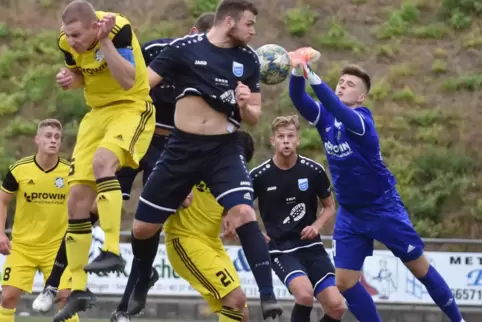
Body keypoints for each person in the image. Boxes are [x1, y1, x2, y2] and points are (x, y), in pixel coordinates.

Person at [288, 47, 465, 322]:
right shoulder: (326, 117)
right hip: (350, 213)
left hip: (382, 207)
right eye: (340, 82)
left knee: (419, 268)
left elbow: (336, 107)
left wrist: (311, 74)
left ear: (360, 97)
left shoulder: (362, 121)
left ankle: (458, 320)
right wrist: (297, 71)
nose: (342, 86)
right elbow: (298, 98)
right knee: (344, 283)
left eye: (349, 85)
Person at [130, 0, 282, 319]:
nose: (254, 31)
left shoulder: (249, 60)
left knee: (243, 211)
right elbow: (139, 85)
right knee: (142, 228)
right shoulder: (183, 48)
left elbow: (254, 116)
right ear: (229, 21)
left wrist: (244, 105)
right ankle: (142, 278)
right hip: (182, 148)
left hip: (224, 148)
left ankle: (268, 297)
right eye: (250, 24)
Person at [110, 13, 216, 322]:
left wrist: (187, 177)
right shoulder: (157, 50)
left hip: (171, 147)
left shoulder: (214, 71)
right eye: (209, 43)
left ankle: (131, 297)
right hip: (136, 134)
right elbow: (127, 83)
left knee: (146, 224)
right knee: (96, 204)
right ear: (193, 32)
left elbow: (207, 126)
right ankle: (70, 284)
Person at [54, 1, 155, 320]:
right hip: (96, 113)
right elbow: (82, 71)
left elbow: (127, 80)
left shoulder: (118, 29)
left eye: (77, 35)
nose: (72, 41)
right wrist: (72, 79)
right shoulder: (66, 42)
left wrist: (105, 41)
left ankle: (112, 250)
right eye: (67, 35)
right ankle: (79, 288)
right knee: (76, 202)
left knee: (103, 164)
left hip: (131, 106)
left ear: (94, 26)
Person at [249, 115, 345, 322]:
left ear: (297, 140)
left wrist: (317, 225)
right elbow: (241, 207)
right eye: (281, 136)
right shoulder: (259, 175)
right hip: (281, 249)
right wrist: (255, 232)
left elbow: (330, 206)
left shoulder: (314, 171)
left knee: (337, 307)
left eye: (290, 136)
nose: (286, 140)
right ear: (273, 141)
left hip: (312, 247)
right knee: (304, 295)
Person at [0, 119, 77, 322]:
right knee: (8, 297)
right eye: (48, 136)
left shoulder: (70, 172)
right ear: (38, 139)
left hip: (56, 249)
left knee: (65, 298)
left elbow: (83, 202)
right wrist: (0, 233)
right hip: (23, 247)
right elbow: (2, 200)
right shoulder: (19, 170)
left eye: (57, 137)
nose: (53, 141)